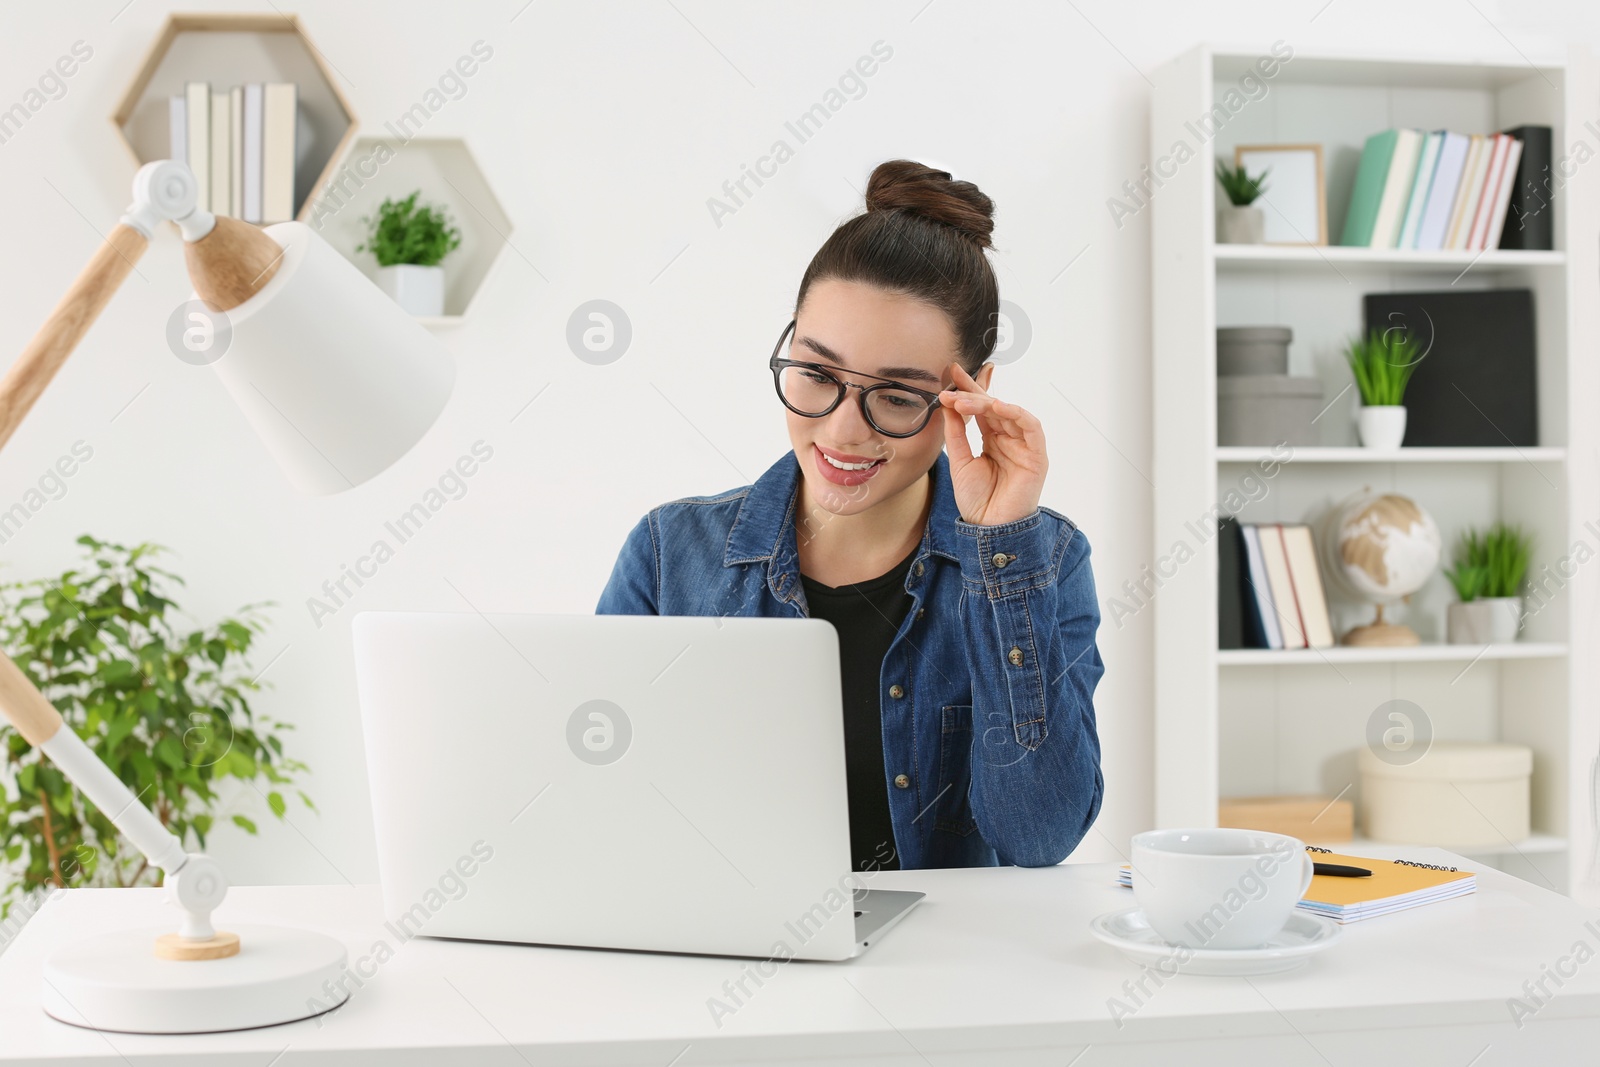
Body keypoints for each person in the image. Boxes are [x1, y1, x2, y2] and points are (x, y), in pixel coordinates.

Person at [596, 159, 1104, 871]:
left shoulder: (1044, 558)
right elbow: (602, 808)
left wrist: (998, 550)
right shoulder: (666, 553)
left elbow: (1039, 836)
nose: (840, 431)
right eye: (817, 373)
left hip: (947, 973)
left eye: (896, 396)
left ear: (972, 392)